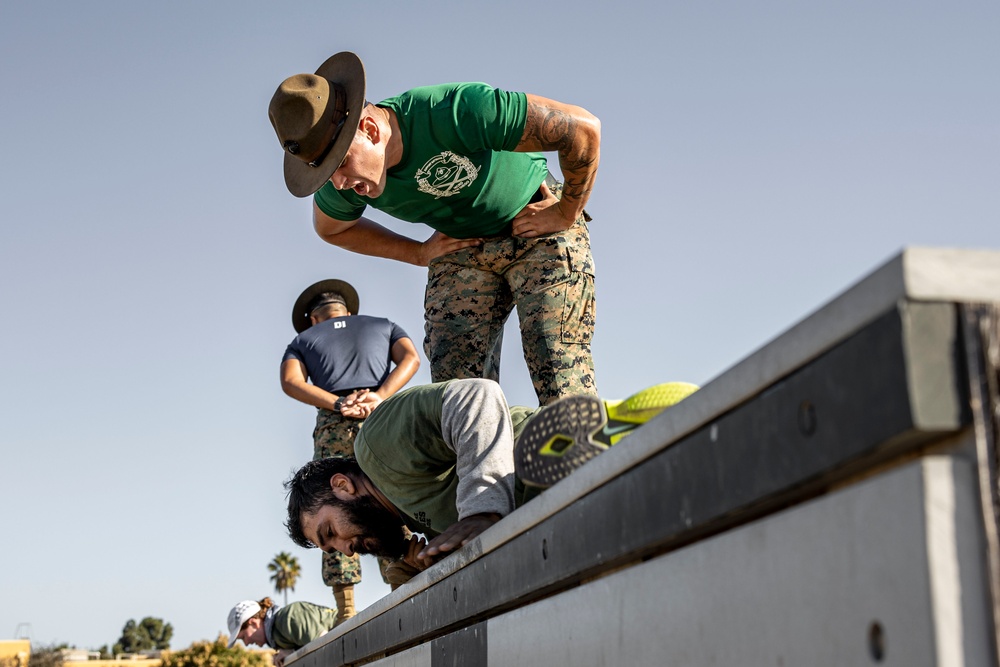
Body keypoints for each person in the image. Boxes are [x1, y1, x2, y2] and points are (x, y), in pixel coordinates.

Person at [267, 52, 602, 407]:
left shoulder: (454, 111)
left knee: (555, 360)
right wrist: (418, 253)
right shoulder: (343, 184)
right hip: (463, 249)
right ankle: (482, 463)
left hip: (538, 221)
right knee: (458, 393)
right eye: (324, 171)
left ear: (369, 129)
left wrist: (567, 212)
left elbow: (583, 128)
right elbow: (331, 229)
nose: (338, 182)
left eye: (341, 163)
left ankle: (582, 454)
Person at [283, 379, 698, 579]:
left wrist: (481, 510)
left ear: (342, 486)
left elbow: (477, 395)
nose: (344, 551)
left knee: (539, 470)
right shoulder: (403, 515)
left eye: (330, 533)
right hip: (530, 514)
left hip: (535, 458)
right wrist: (423, 565)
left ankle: (615, 431)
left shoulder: (377, 443)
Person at [281, 278, 420, 622]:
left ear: (314, 319)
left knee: (328, 509)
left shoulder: (302, 340)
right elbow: (411, 359)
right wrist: (380, 396)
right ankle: (405, 576)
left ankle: (346, 608)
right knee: (385, 495)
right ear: (348, 311)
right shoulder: (382, 325)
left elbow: (291, 382)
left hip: (334, 424)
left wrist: (339, 403)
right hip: (380, 416)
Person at [226, 597, 336, 666]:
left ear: (253, 623)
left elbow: (326, 648)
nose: (246, 644)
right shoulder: (279, 636)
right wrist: (291, 652)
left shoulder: (289, 616)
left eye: (243, 637)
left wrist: (293, 653)